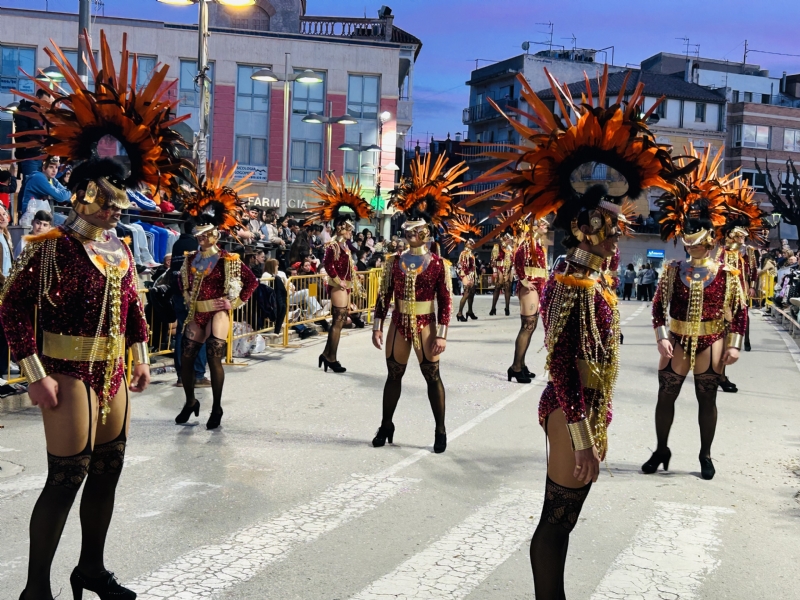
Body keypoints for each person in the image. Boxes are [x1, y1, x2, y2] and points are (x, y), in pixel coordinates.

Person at [463, 65, 682, 598]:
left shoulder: (595, 279)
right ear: (584, 229)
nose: (617, 236)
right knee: (556, 520)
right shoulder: (568, 284)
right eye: (610, 228)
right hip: (570, 411)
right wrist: (582, 435)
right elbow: (561, 364)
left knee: (568, 518)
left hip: (588, 408)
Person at [0, 28, 191, 597]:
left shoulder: (122, 248)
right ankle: (36, 587)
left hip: (113, 370)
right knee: (67, 477)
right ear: (82, 192)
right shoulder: (52, 247)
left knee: (109, 470)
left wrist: (140, 356)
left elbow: (132, 308)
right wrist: (33, 374)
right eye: (106, 198)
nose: (115, 208)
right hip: (64, 371)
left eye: (119, 199)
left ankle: (91, 568)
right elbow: (10, 308)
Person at [643, 146, 748, 481]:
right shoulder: (673, 270)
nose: (692, 248)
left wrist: (734, 345)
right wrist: (661, 338)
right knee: (665, 396)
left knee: (707, 399)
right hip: (676, 337)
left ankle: (705, 454)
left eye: (698, 243)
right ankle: (661, 449)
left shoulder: (727, 273)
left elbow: (740, 312)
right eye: (689, 244)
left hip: (711, 338)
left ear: (710, 241)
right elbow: (658, 307)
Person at [372, 152, 465, 453]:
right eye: (408, 228)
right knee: (393, 375)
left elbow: (446, 301)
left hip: (426, 324)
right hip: (399, 323)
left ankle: (440, 429)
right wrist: (377, 326)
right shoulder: (394, 261)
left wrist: (443, 334)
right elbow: (383, 295)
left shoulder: (438, 264)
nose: (412, 233)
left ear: (426, 231)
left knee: (432, 377)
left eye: (417, 228)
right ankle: (386, 424)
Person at [176, 161, 259, 430]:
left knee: (214, 357)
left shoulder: (227, 259)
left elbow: (252, 281)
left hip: (218, 313)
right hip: (197, 311)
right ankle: (190, 401)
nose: (200, 239)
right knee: (186, 358)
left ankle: (217, 407)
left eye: (205, 235)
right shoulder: (190, 259)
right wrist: (188, 295)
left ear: (215, 234)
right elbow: (181, 281)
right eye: (198, 235)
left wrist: (234, 302)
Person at [306, 175, 375, 373]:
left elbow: (347, 265)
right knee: (338, 321)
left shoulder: (344, 246)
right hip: (338, 285)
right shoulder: (333, 246)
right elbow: (328, 265)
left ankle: (327, 354)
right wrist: (339, 281)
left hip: (345, 284)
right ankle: (331, 357)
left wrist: (353, 276)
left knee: (340, 319)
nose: (351, 232)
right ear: (340, 228)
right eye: (349, 229)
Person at [716, 179, 766, 393]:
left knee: (732, 334)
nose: (740, 239)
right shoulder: (722, 253)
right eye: (736, 235)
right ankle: (717, 374)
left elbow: (752, 271)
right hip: (723, 300)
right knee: (720, 336)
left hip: (740, 296)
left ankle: (720, 371)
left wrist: (752, 287)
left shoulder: (748, 254)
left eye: (742, 235)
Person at [508, 218, 549, 383]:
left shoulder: (538, 244)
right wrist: (524, 281)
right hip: (529, 287)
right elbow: (517, 260)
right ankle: (515, 367)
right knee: (527, 325)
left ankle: (521, 364)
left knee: (531, 327)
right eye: (543, 222)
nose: (546, 225)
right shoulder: (526, 244)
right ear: (534, 226)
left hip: (538, 286)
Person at [14, 87, 54, 207]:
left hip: (42, 156)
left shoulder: (45, 115)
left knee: (36, 184)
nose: (46, 105)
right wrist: (42, 130)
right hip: (29, 155)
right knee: (30, 184)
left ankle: (32, 211)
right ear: (37, 98)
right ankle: (24, 212)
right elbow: (22, 132)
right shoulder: (25, 110)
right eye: (45, 102)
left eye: (49, 103)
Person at [20, 156, 72, 222]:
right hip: (32, 217)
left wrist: (67, 193)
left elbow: (70, 196)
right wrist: (67, 192)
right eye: (51, 167)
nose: (54, 170)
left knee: (71, 220)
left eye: (56, 167)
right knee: (70, 222)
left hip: (43, 213)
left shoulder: (52, 179)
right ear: (44, 168)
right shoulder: (38, 177)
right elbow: (61, 197)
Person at [489, 232, 514, 315]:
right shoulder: (497, 247)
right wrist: (494, 270)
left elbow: (514, 260)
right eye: (507, 239)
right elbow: (493, 259)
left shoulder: (511, 248)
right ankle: (493, 308)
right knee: (497, 288)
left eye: (509, 239)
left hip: (508, 270)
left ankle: (507, 308)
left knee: (507, 288)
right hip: (499, 268)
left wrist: (513, 270)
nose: (508, 240)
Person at [455, 237, 479, 322]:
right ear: (466, 244)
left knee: (471, 294)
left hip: (471, 275)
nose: (471, 245)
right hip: (466, 275)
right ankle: (459, 313)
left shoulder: (470, 253)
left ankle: (470, 311)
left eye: (472, 243)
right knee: (466, 294)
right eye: (470, 243)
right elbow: (464, 266)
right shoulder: (464, 253)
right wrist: (468, 277)